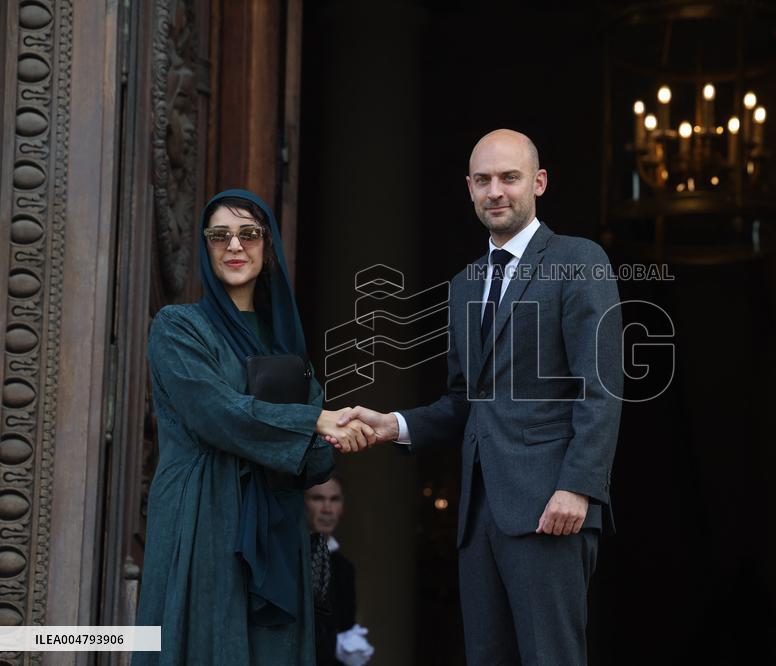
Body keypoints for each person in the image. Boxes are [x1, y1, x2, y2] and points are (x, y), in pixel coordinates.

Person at [333, 130, 624, 666]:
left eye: (509, 178)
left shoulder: (578, 260)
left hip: (551, 509)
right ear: (468, 188)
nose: (496, 191)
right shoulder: (466, 284)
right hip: (479, 515)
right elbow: (464, 403)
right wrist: (392, 424)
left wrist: (578, 488)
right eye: (484, 180)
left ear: (538, 183)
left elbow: (600, 385)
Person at [135, 189, 375, 665]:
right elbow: (216, 413)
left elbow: (319, 455)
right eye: (220, 235)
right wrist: (314, 421)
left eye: (249, 234)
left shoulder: (284, 341)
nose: (234, 246)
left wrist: (336, 431)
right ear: (206, 246)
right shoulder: (177, 327)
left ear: (268, 248)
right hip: (204, 517)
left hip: (278, 526)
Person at [305, 476, 374, 666]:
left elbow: (345, 627)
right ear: (302, 504)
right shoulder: (288, 560)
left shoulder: (344, 568)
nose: (327, 509)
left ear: (342, 507)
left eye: (334, 499)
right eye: (317, 499)